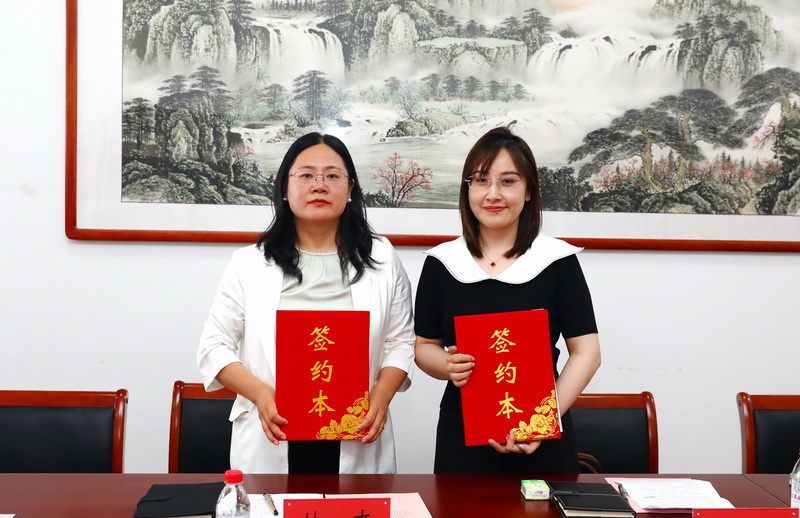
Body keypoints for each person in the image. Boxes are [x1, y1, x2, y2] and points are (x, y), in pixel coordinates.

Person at [197, 132, 415, 474]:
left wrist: (382, 395)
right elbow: (213, 347)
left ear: (351, 189)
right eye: (306, 175)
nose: (319, 185)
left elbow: (400, 342)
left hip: (355, 433)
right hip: (274, 433)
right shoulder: (249, 262)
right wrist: (260, 394)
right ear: (285, 188)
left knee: (355, 509)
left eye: (332, 175)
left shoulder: (382, 257)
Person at [414, 126, 601, 474]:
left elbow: (587, 352)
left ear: (529, 191)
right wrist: (446, 366)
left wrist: (543, 420)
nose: (493, 194)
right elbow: (425, 346)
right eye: (481, 180)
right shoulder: (442, 262)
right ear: (467, 188)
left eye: (509, 181)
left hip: (543, 435)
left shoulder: (557, 260)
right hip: (462, 435)